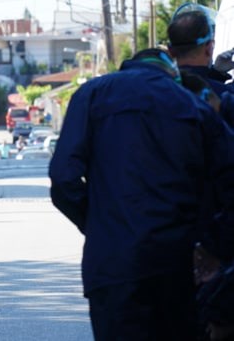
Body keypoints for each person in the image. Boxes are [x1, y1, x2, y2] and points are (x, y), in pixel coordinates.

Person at [49, 48, 234, 340]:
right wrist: (213, 246)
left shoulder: (91, 95)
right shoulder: (191, 103)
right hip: (178, 264)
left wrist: (98, 225)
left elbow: (63, 179)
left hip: (112, 265)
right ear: (170, 71)